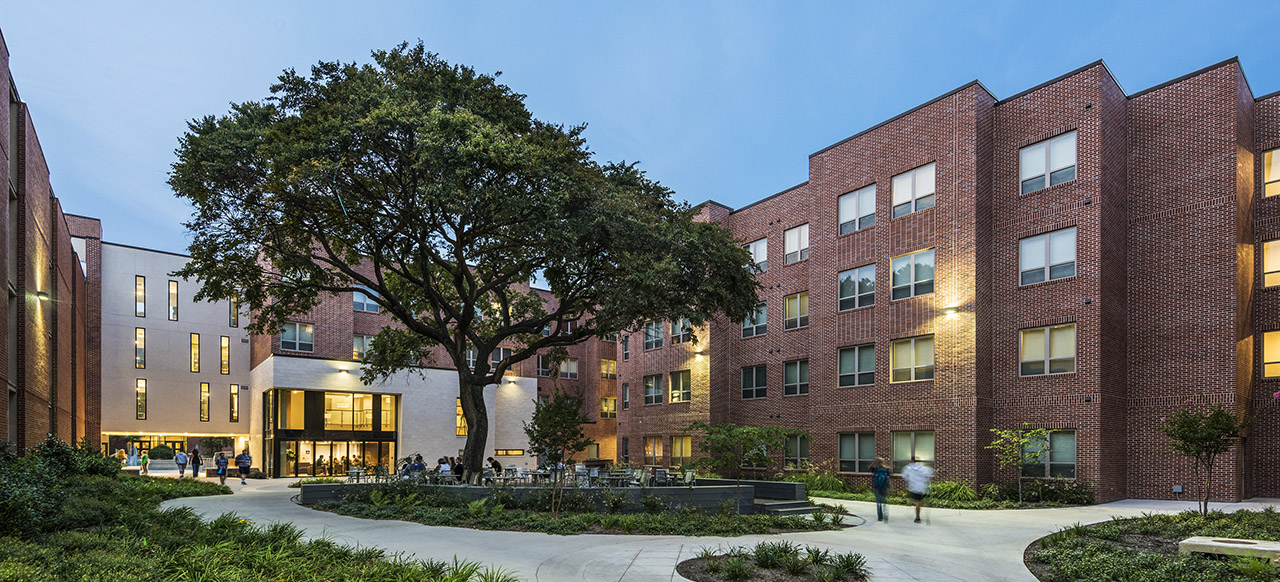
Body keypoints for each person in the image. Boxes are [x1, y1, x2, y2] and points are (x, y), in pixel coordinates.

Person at [901, 457, 936, 524]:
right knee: (920, 501)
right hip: (922, 487)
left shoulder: (908, 468)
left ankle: (917, 517)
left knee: (917, 502)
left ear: (911, 461)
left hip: (914, 487)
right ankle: (922, 512)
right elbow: (930, 472)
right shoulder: (922, 468)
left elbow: (905, 476)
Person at [870, 457, 891, 522]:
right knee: (884, 501)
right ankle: (885, 515)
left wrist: (874, 462)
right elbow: (888, 479)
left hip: (876, 486)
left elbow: (869, 467)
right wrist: (890, 486)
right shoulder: (886, 469)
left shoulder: (875, 469)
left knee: (878, 502)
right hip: (884, 487)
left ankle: (880, 517)